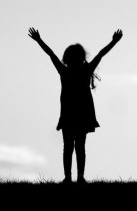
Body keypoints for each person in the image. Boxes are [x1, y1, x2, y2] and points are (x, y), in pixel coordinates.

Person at [28, 27, 123, 184]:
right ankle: (77, 177)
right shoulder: (82, 71)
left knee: (70, 147)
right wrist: (113, 42)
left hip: (71, 114)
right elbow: (100, 54)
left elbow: (51, 54)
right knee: (79, 146)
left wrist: (39, 40)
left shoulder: (65, 71)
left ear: (67, 58)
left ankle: (70, 178)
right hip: (79, 114)